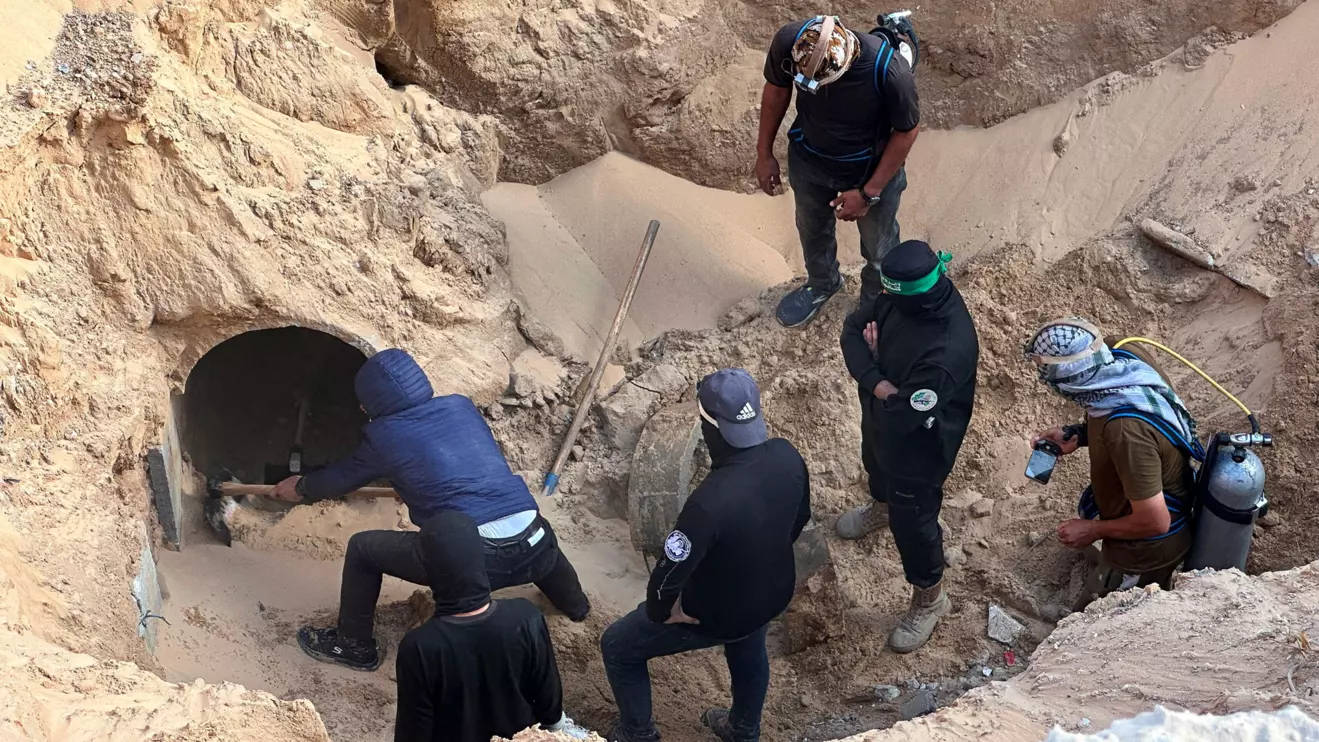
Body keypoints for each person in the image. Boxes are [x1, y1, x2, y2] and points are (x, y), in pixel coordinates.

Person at [271, 348, 590, 670]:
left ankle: (353, 646)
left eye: (363, 404)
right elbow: (450, 462)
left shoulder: (384, 436)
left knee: (363, 549)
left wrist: (300, 487)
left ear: (370, 405)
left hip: (476, 566)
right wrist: (409, 486)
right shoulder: (461, 407)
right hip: (537, 545)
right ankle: (575, 605)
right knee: (533, 532)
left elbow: (340, 479)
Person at [600, 369, 811, 742]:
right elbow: (800, 518)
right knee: (748, 643)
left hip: (715, 613)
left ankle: (637, 733)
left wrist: (662, 611)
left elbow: (668, 576)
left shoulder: (707, 504)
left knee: (617, 646)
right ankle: (743, 731)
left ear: (710, 425)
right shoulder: (787, 455)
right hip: (773, 592)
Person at [835, 239, 979, 653]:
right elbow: (851, 331)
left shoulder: (947, 349)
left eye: (892, 297)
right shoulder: (897, 296)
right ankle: (881, 508)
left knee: (914, 523)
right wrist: (880, 382)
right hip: (882, 419)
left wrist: (874, 366)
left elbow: (903, 417)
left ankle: (930, 598)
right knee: (875, 464)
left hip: (921, 448)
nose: (883, 302)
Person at [756, 15, 921, 327]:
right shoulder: (790, 41)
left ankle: (877, 299)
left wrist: (869, 194)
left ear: (847, 63)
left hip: (868, 167)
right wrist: (764, 154)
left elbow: (907, 132)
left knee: (879, 244)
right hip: (810, 159)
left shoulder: (890, 72)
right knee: (811, 229)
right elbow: (776, 90)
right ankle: (822, 283)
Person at [1024, 318, 1198, 608]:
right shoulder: (1118, 356)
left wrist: (1092, 530)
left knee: (1094, 616)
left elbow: (1155, 522)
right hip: (1148, 507)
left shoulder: (1126, 433)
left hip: (1144, 551)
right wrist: (1078, 435)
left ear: (1070, 381)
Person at [394, 508, 588, 742]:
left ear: (426, 569)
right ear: (480, 557)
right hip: (521, 737)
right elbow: (549, 700)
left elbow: (414, 730)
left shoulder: (418, 647)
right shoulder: (525, 617)